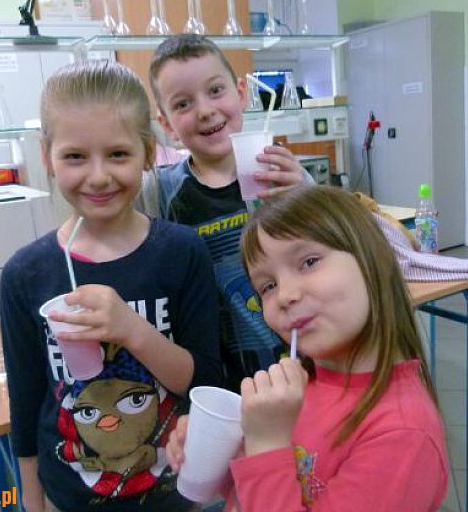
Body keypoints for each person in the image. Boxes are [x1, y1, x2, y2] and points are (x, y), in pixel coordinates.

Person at [0, 61, 221, 512]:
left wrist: (132, 330)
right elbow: (25, 406)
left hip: (173, 495)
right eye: (75, 157)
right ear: (47, 156)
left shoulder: (182, 252)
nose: (98, 176)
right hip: (70, 497)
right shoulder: (25, 274)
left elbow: (205, 383)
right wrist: (31, 501)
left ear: (148, 153)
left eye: (118, 154)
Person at [167, 185, 449, 512]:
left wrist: (266, 442)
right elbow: (259, 491)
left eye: (309, 262)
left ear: (373, 261)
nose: (286, 295)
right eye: (268, 286)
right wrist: (222, 451)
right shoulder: (300, 388)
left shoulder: (402, 435)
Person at [139, 34, 312, 392]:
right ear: (167, 123)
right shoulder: (159, 191)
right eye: (183, 104)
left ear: (241, 93)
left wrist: (305, 195)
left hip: (301, 360)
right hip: (216, 380)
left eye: (215, 90)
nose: (205, 110)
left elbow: (331, 247)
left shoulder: (283, 175)